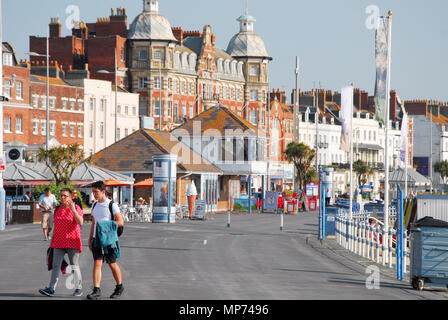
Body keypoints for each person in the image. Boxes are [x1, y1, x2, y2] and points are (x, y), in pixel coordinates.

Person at [39, 188, 84, 297]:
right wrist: (52, 242)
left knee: (74, 266)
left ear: (70, 197)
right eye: (61, 195)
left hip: (72, 241)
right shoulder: (58, 209)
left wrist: (73, 210)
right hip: (58, 242)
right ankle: (51, 289)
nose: (62, 197)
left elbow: (80, 222)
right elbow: (56, 227)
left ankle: (78, 288)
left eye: (65, 195)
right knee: (55, 265)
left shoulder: (76, 208)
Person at [87, 181, 125, 300]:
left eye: (96, 192)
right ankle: (96, 289)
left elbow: (120, 221)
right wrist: (90, 238)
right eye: (93, 192)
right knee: (97, 263)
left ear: (103, 192)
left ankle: (119, 287)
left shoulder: (111, 205)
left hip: (108, 239)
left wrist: (105, 225)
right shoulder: (94, 205)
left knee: (111, 263)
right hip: (96, 238)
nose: (94, 194)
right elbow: (93, 223)